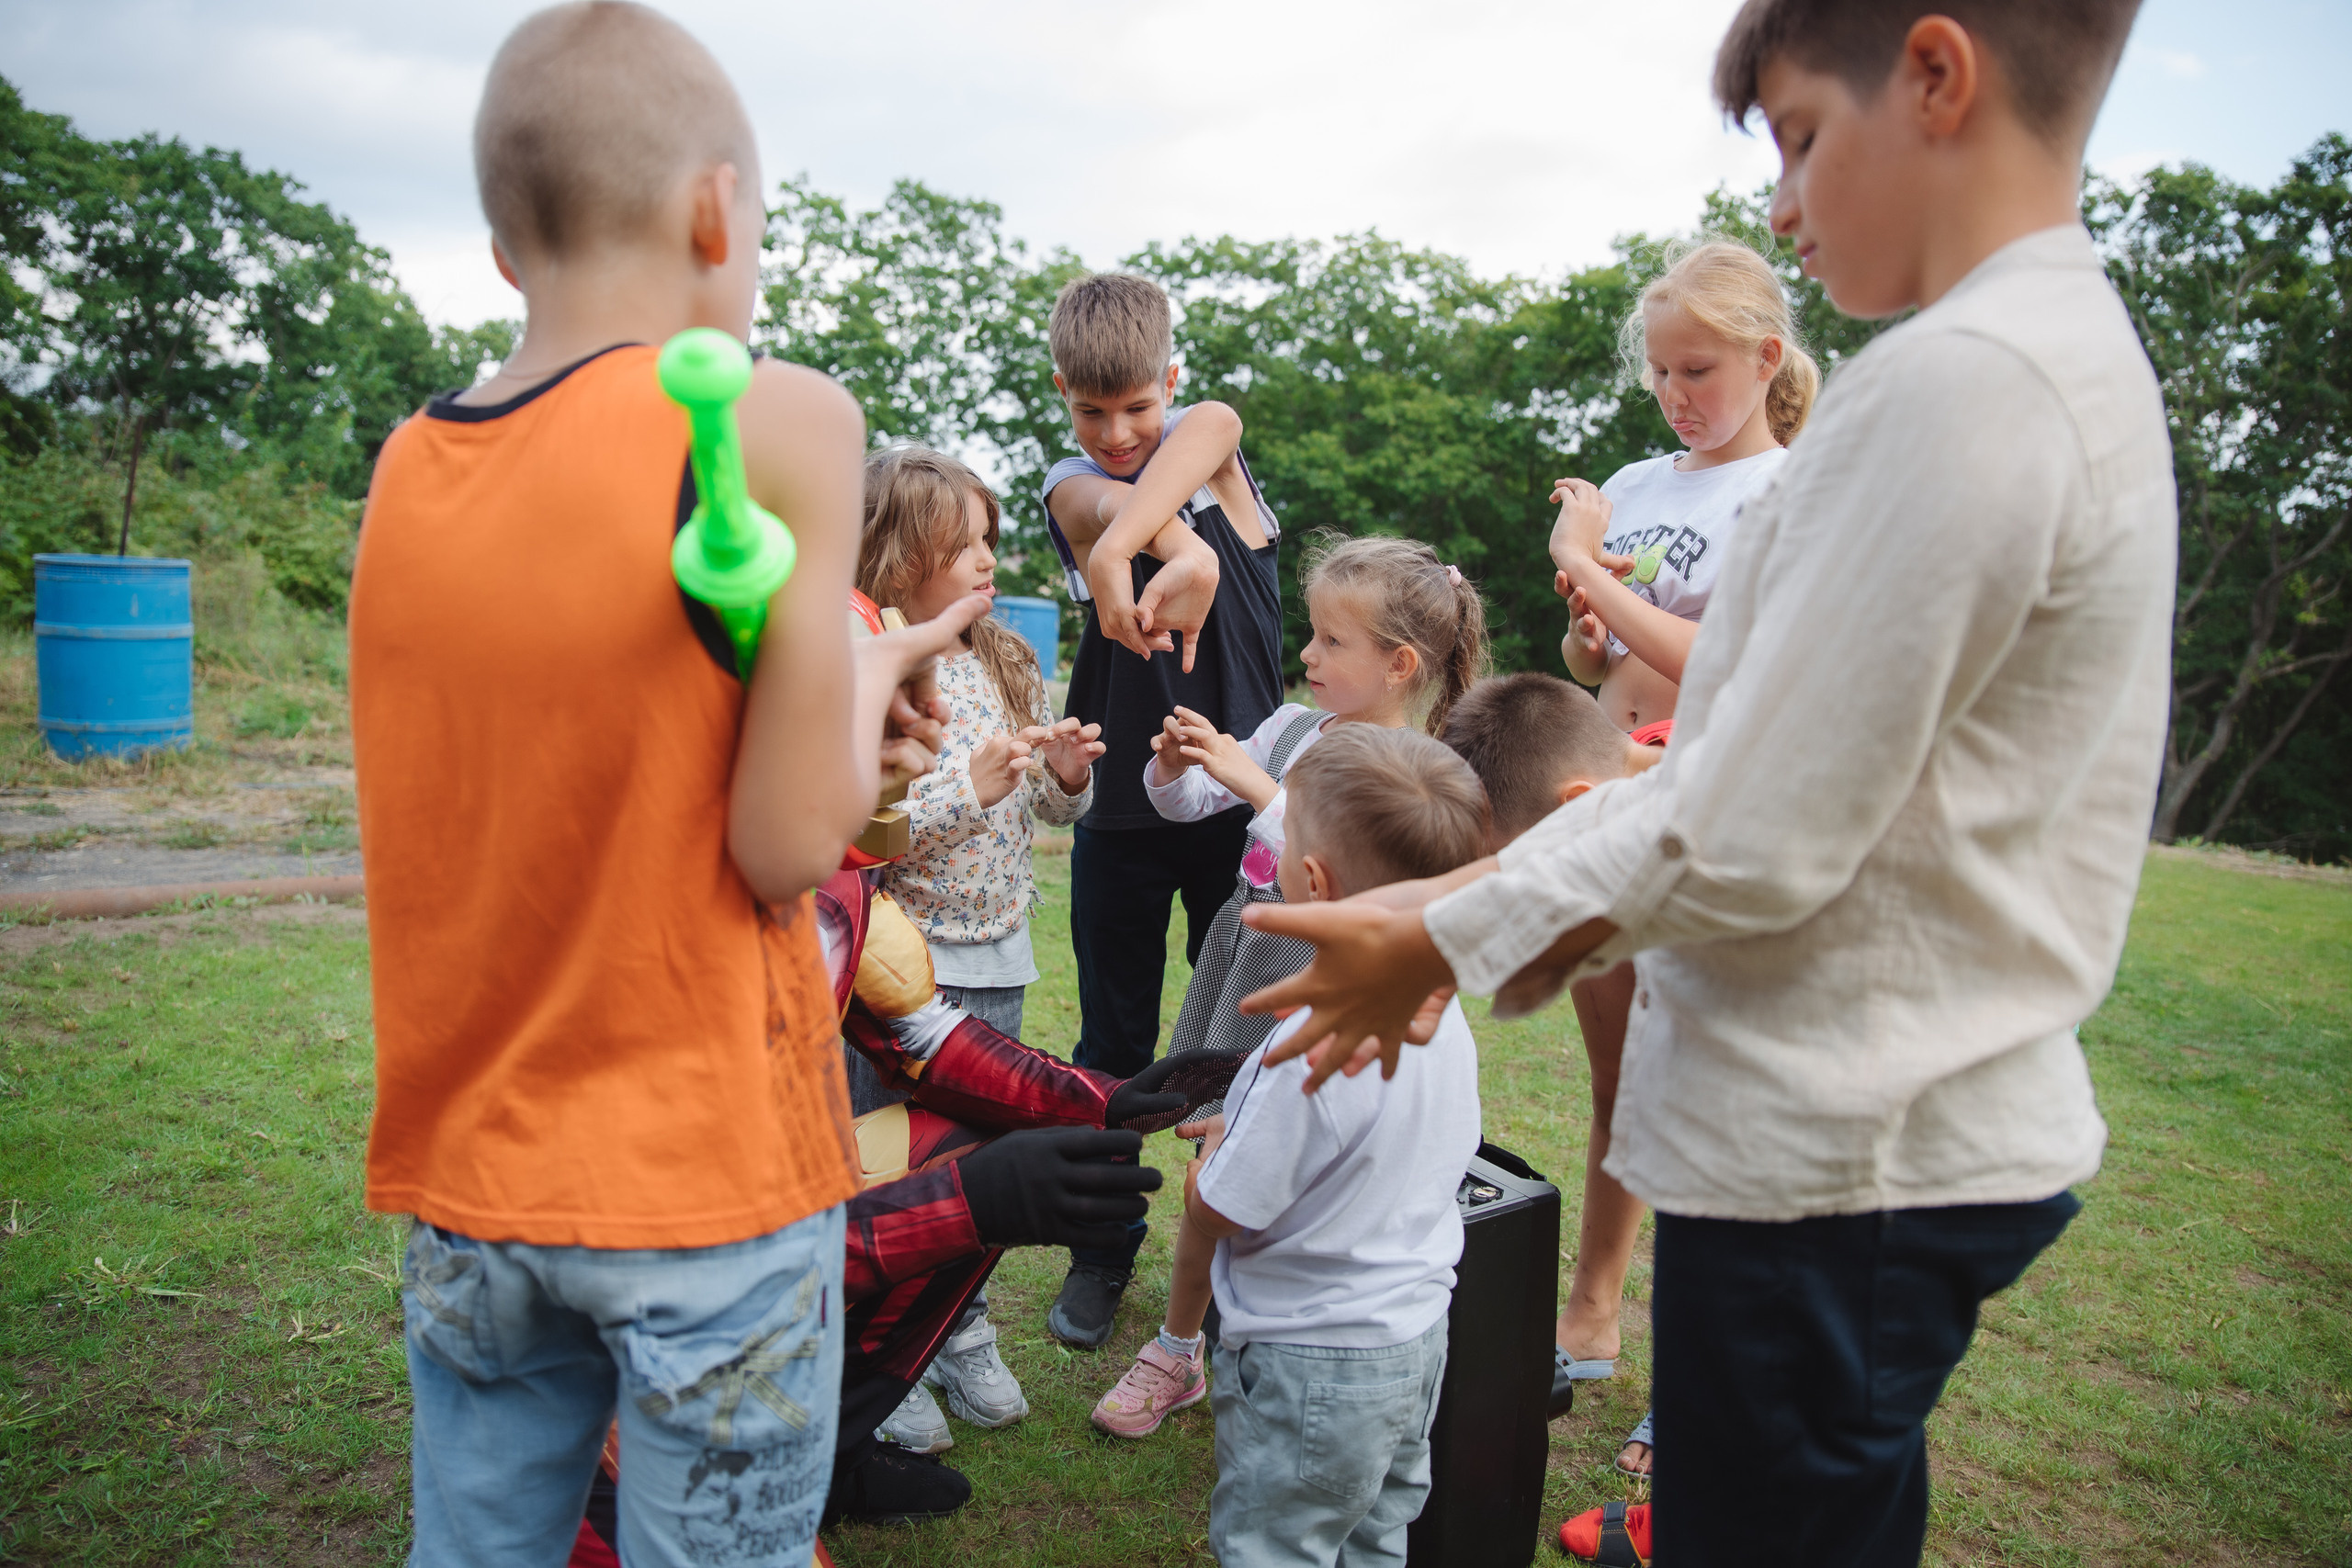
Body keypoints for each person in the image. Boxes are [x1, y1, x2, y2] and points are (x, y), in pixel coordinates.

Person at [1242, 2, 2173, 1563]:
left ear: (1938, 76)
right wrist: (1463, 896)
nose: (1782, 205)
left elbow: (1750, 829)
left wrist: (1441, 931)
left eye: (1803, 135)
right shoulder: (2040, 360)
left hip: (1840, 1160)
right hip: (1886, 1139)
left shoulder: (1965, 385)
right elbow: (1771, 775)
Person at [349, 7, 995, 1562]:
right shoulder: (777, 420)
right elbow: (788, 843)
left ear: (508, 252)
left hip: (473, 1180)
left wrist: (821, 689)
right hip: (699, 1183)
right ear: (720, 212)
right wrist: (857, 702)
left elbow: (583, 739)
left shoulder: (408, 467)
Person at [1088, 534, 1487, 1436]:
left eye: (1330, 642)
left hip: (1331, 983)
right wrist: (1176, 766)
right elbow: (1188, 806)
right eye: (1310, 634)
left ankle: (1273, 1331)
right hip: (1247, 959)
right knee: (1213, 1156)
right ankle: (1179, 1348)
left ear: (1399, 663)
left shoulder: (1427, 769)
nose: (1305, 655)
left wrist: (1253, 784)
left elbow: (1340, 869)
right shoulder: (1290, 728)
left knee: (1294, 1164)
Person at [1544, 236, 1819, 1461]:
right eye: (1659, 371)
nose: (1675, 393)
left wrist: (1581, 572)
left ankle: (1687, 1375)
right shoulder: (1637, 482)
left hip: (1712, 820)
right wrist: (1586, 630)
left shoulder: (1794, 495)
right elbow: (1592, 665)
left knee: (1699, 1098)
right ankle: (1591, 1313)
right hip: (1609, 810)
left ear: (1768, 358)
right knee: (1622, 1084)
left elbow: (1733, 667)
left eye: (1698, 367)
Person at [1038, 272, 1286, 1347]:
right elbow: (1096, 508)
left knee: (1248, 1037)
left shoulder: (1215, 458)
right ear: (1064, 401)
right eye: (1092, 413)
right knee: (1114, 1045)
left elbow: (1217, 425)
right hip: (1123, 828)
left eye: (1138, 407)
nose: (1117, 431)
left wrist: (1141, 550)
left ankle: (1241, 1251)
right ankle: (1103, 1252)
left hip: (1245, 811)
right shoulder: (1069, 484)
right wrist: (1149, 546)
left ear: (1168, 385)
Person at [1187, 725, 1490, 1567]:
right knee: (1374, 1538)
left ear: (1310, 882)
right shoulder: (1441, 1008)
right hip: (1415, 1338)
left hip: (1309, 1360)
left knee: (1277, 1546)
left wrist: (1212, 1157)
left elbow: (1221, 1205)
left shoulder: (1303, 1047)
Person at [851, 446, 1103, 1450]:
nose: (989, 559)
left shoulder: (1004, 658)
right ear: (902, 552)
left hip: (1000, 956)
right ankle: (886, 1359)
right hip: (901, 967)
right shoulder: (873, 658)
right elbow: (856, 828)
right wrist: (969, 791)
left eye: (991, 538)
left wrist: (1068, 778)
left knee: (984, 1157)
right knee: (896, 1170)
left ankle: (962, 1330)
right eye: (964, 544)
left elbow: (1043, 803)